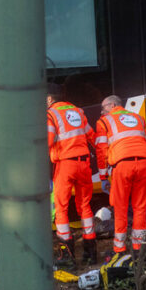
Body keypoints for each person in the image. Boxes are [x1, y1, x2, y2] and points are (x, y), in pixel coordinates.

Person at [95, 95, 146, 256]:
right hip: (143, 164)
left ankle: (120, 249)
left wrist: (103, 177)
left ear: (112, 105)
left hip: (122, 166)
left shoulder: (104, 121)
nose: (101, 111)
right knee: (140, 208)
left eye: (103, 107)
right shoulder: (138, 118)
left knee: (120, 208)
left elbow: (101, 150)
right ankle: (139, 249)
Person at [46, 84, 99, 267]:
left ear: (49, 99)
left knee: (61, 207)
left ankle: (67, 255)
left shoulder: (51, 114)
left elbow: (48, 141)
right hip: (84, 163)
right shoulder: (78, 111)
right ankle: (90, 252)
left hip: (65, 164)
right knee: (84, 206)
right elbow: (92, 136)